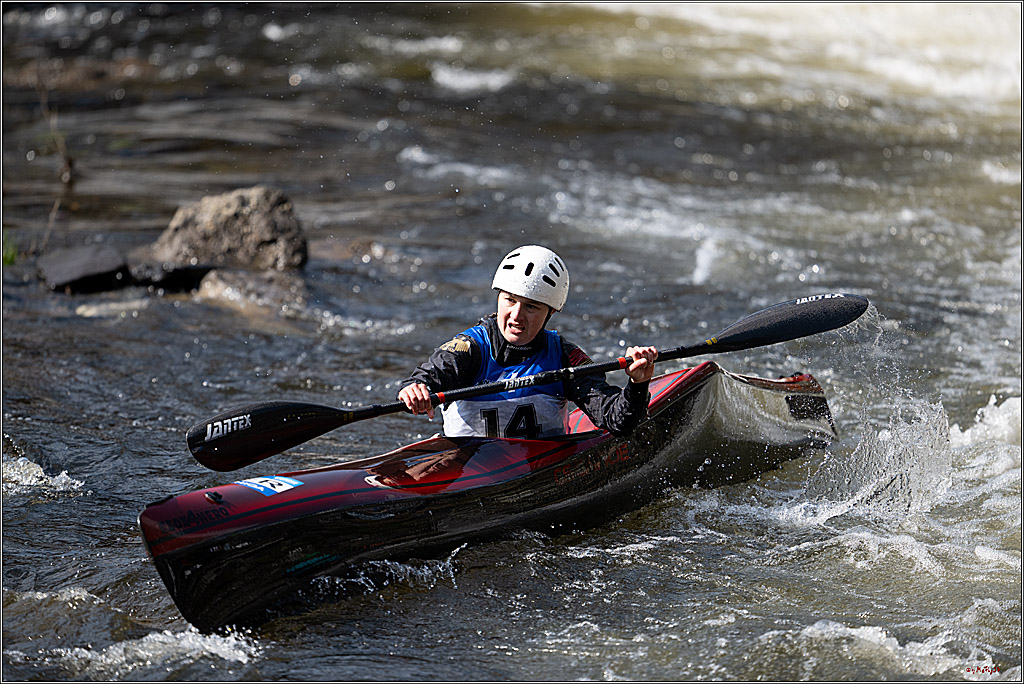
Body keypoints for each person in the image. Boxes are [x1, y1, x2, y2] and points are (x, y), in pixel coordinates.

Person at [397, 245, 658, 439]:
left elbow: (617, 421)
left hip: (539, 471)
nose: (516, 316)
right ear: (498, 298)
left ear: (550, 313)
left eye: (531, 307)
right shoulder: (469, 349)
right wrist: (416, 390)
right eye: (509, 300)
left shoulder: (565, 357)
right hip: (468, 470)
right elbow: (426, 377)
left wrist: (638, 383)